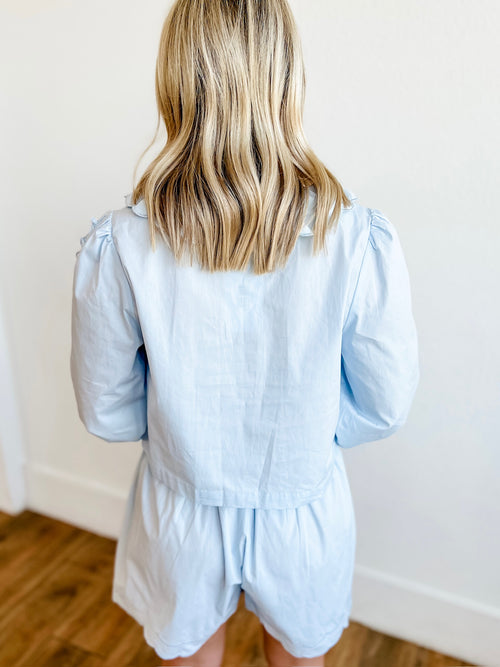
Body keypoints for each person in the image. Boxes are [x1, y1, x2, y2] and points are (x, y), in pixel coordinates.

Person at [69, 0, 420, 665]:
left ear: (175, 79)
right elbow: (384, 402)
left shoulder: (121, 244)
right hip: (303, 507)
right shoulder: (356, 240)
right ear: (287, 78)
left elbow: (105, 407)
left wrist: (186, 430)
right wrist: (300, 435)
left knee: (191, 655)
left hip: (180, 508)